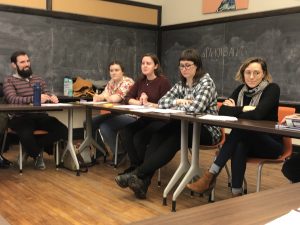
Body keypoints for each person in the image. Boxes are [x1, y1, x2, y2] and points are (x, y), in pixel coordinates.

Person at [115, 48, 221, 199]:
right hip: (185, 124)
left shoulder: (206, 82)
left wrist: (178, 104)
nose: (184, 69)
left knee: (175, 138)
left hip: (207, 130)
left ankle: (137, 173)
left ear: (197, 66)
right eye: (181, 65)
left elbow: (196, 108)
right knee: (159, 134)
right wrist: (179, 100)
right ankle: (142, 183)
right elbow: (162, 102)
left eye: (188, 65)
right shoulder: (181, 84)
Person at [187, 57, 283, 197]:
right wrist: (246, 108)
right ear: (243, 73)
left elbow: (258, 114)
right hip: (246, 142)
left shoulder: (272, 89)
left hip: (270, 145)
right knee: (240, 144)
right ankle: (236, 193)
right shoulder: (240, 90)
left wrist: (236, 109)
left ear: (264, 74)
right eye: (248, 72)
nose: (251, 76)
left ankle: (210, 175)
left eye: (256, 73)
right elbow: (223, 111)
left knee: (241, 129)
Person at [3, 50, 68, 170]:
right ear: (14, 65)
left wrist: (51, 97)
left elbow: (46, 92)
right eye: (22, 62)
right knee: (26, 134)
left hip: (40, 115)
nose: (26, 64)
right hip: (20, 117)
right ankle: (37, 155)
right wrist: (35, 98)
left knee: (63, 130)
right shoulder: (9, 81)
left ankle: (32, 149)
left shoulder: (38, 78)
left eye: (27, 61)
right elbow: (12, 99)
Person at [103, 53, 171, 167]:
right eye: (143, 63)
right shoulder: (141, 81)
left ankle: (140, 168)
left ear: (156, 66)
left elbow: (168, 104)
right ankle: (135, 165)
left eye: (148, 63)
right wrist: (139, 102)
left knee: (139, 136)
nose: (144, 66)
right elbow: (128, 97)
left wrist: (149, 104)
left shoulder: (163, 82)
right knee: (126, 132)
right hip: (145, 118)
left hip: (160, 120)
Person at [90, 61, 134, 161]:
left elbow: (115, 98)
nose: (113, 73)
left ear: (122, 72)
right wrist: (98, 97)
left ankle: (120, 153)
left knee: (105, 126)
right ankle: (100, 151)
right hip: (116, 114)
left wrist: (103, 97)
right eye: (111, 71)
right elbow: (103, 95)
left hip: (130, 115)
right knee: (89, 123)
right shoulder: (111, 82)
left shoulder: (127, 82)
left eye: (116, 70)